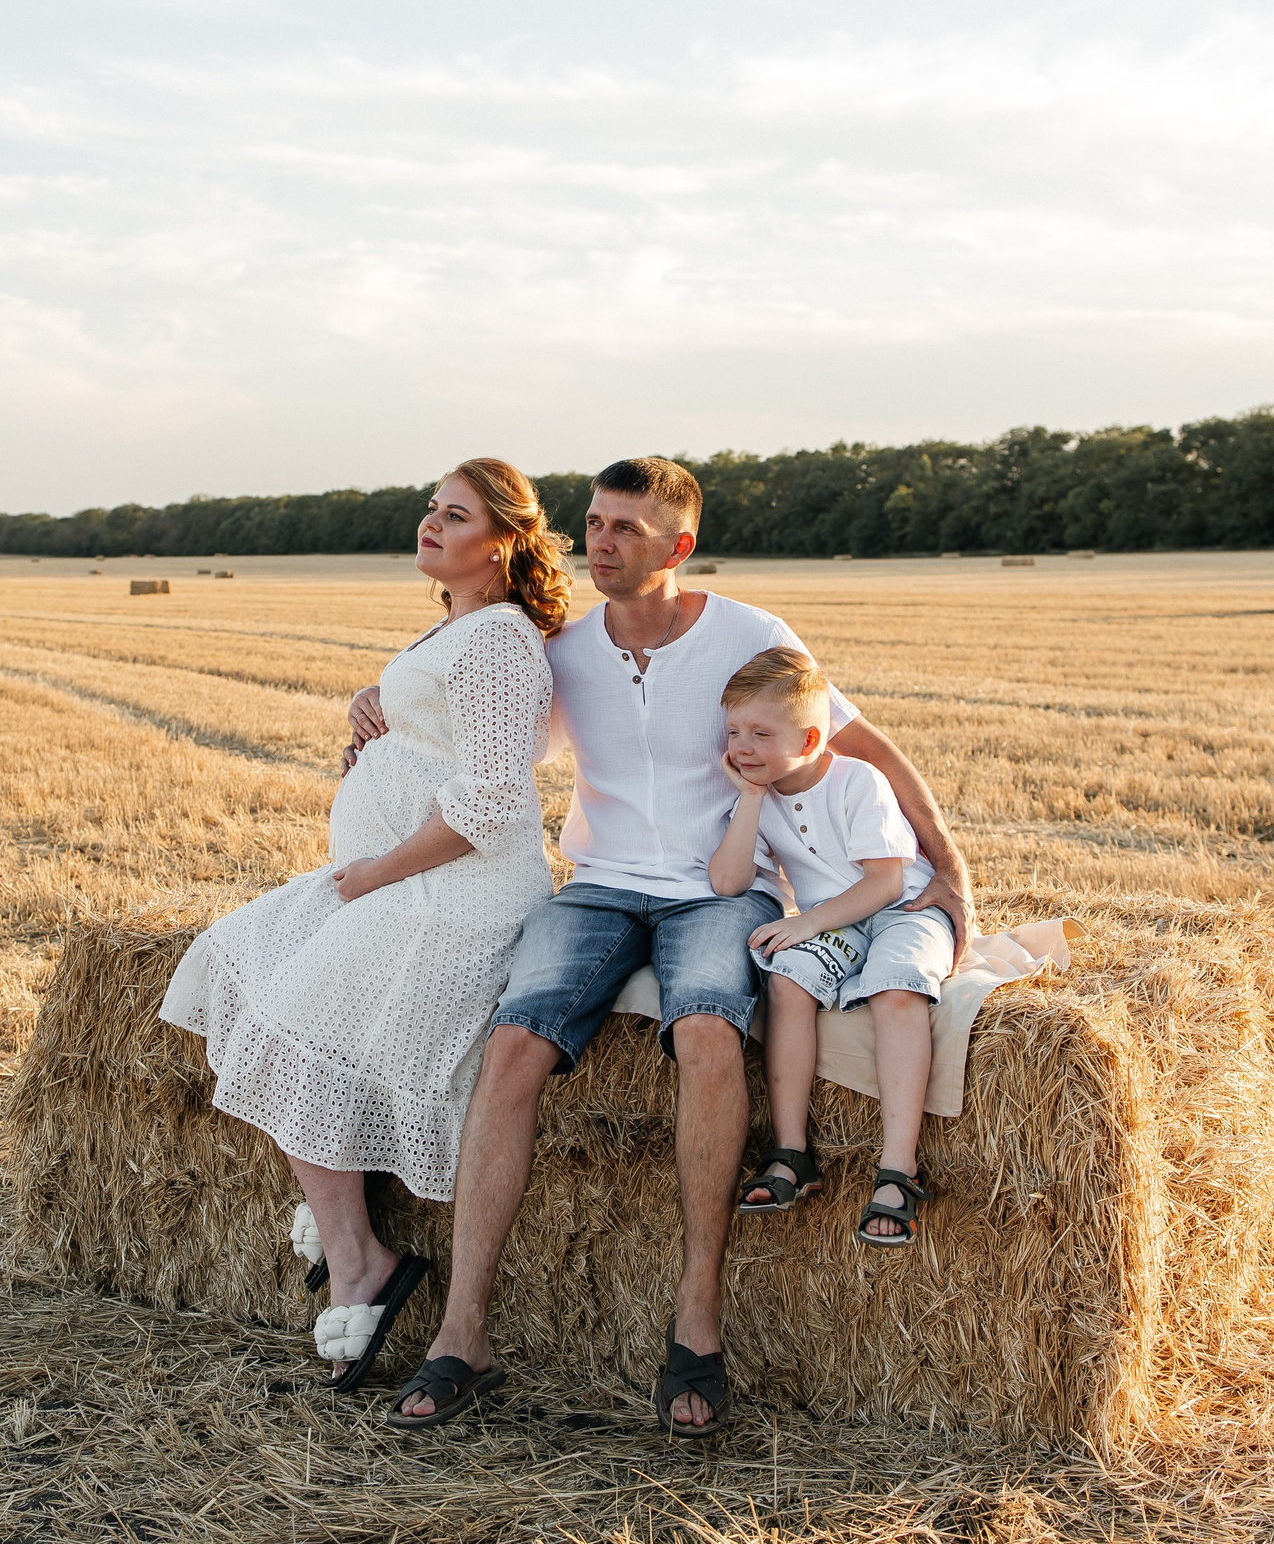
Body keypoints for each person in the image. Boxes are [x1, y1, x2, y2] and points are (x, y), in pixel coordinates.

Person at [351, 456, 973, 1433]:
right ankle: (459, 1337)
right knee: (512, 1046)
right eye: (593, 525)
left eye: (624, 530)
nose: (599, 543)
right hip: (595, 887)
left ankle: (696, 1321)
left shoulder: (749, 637)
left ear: (676, 547)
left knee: (708, 1037)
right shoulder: (558, 645)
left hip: (713, 893)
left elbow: (858, 744)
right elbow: (465, 701)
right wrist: (376, 701)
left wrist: (947, 870)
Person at [159, 458, 572, 1393]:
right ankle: (340, 1203)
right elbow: (448, 734)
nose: (430, 523)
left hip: (453, 896)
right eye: (431, 507)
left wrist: (378, 872)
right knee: (239, 961)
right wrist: (378, 707)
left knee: (288, 1028)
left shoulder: (502, 641)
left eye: (454, 514)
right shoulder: (460, 624)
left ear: (501, 543)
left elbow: (492, 800)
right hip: (397, 883)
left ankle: (361, 1261)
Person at [709, 647, 950, 1248]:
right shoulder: (758, 797)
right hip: (837, 924)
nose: (741, 745)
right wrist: (750, 799)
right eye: (734, 730)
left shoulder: (856, 781)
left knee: (898, 989)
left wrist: (808, 922)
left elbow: (886, 881)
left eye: (761, 733)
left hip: (904, 910)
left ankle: (899, 1169)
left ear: (811, 737)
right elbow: (728, 881)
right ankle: (792, 1153)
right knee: (786, 980)